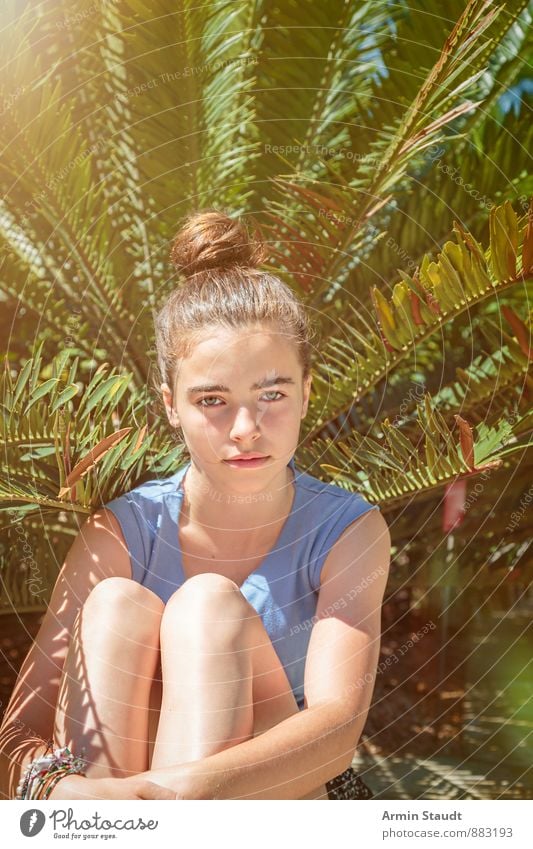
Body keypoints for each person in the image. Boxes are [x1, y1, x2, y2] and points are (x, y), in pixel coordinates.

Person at [0, 210, 391, 800]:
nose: (245, 429)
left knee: (209, 608)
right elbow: (17, 736)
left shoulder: (346, 530)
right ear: (170, 404)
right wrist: (68, 795)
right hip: (125, 810)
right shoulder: (121, 532)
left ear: (307, 392)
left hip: (276, 808)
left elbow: (335, 735)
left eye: (272, 394)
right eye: (212, 399)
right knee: (114, 608)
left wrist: (169, 794)